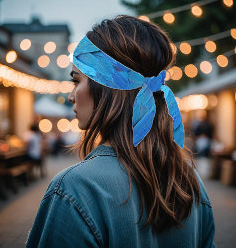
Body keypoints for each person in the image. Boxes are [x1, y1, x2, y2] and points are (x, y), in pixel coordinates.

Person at [26, 15, 215, 247]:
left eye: (76, 81)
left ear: (106, 87)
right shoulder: (190, 181)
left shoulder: (75, 189)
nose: (71, 95)